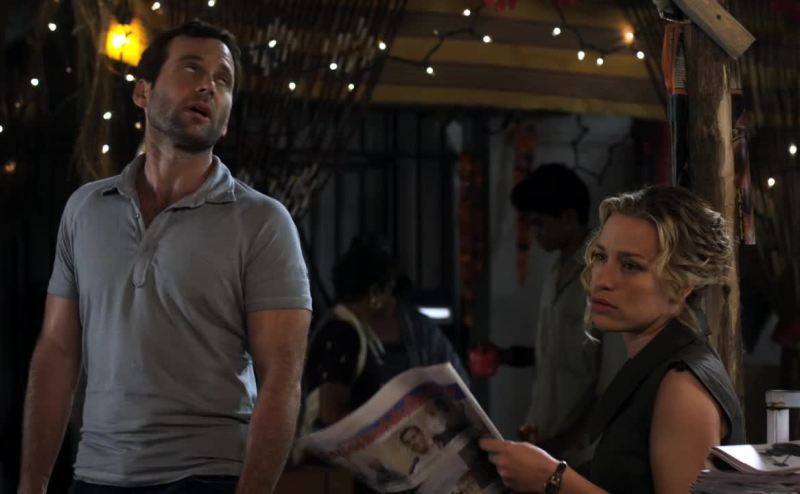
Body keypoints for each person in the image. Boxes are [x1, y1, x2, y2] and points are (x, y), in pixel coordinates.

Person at [18, 21, 312, 494]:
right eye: (192, 68)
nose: (208, 86)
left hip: (207, 475)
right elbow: (57, 352)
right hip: (96, 475)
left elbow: (282, 377)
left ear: (226, 118)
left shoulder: (262, 221)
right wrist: (32, 484)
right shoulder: (86, 209)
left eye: (223, 80)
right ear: (143, 92)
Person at [480, 185, 745, 494]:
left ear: (682, 284)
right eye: (600, 256)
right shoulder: (651, 364)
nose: (602, 279)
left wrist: (553, 479)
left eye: (630, 266)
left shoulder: (682, 386)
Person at [508, 164, 626, 468]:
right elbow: (555, 356)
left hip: (580, 452)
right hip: (545, 438)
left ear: (568, 218)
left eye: (539, 224)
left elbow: (611, 383)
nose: (534, 234)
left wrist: (567, 443)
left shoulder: (601, 274)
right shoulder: (555, 270)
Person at [299, 236, 467, 435]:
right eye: (389, 291)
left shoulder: (357, 329)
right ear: (375, 294)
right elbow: (331, 413)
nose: (393, 303)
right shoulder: (343, 333)